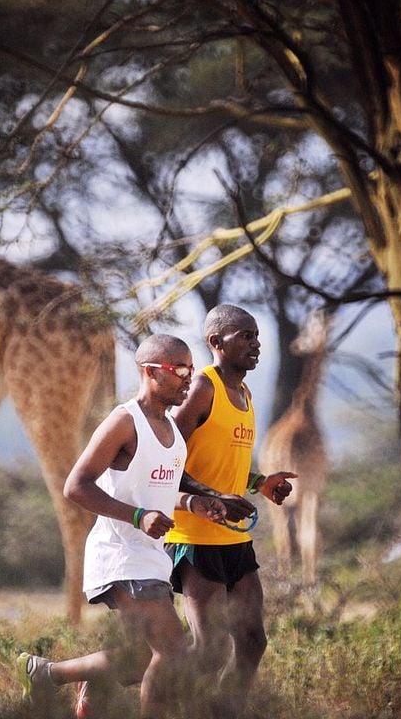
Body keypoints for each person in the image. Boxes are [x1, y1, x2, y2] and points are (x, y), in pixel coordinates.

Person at [15, 334, 226, 719]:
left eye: (191, 370)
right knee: (173, 653)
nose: (187, 378)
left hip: (152, 558)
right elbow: (75, 486)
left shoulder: (175, 433)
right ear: (149, 371)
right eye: (179, 370)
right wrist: (136, 516)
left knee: (141, 659)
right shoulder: (125, 421)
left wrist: (196, 502)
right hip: (121, 555)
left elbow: (160, 493)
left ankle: (46, 673)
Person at [166, 304, 296, 716]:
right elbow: (166, 460)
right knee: (210, 651)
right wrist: (210, 499)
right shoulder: (204, 388)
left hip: (234, 538)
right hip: (194, 536)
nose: (255, 344)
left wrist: (260, 483)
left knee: (253, 640)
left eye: (256, 336)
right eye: (245, 336)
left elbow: (223, 466)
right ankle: (108, 676)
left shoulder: (245, 393)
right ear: (215, 343)